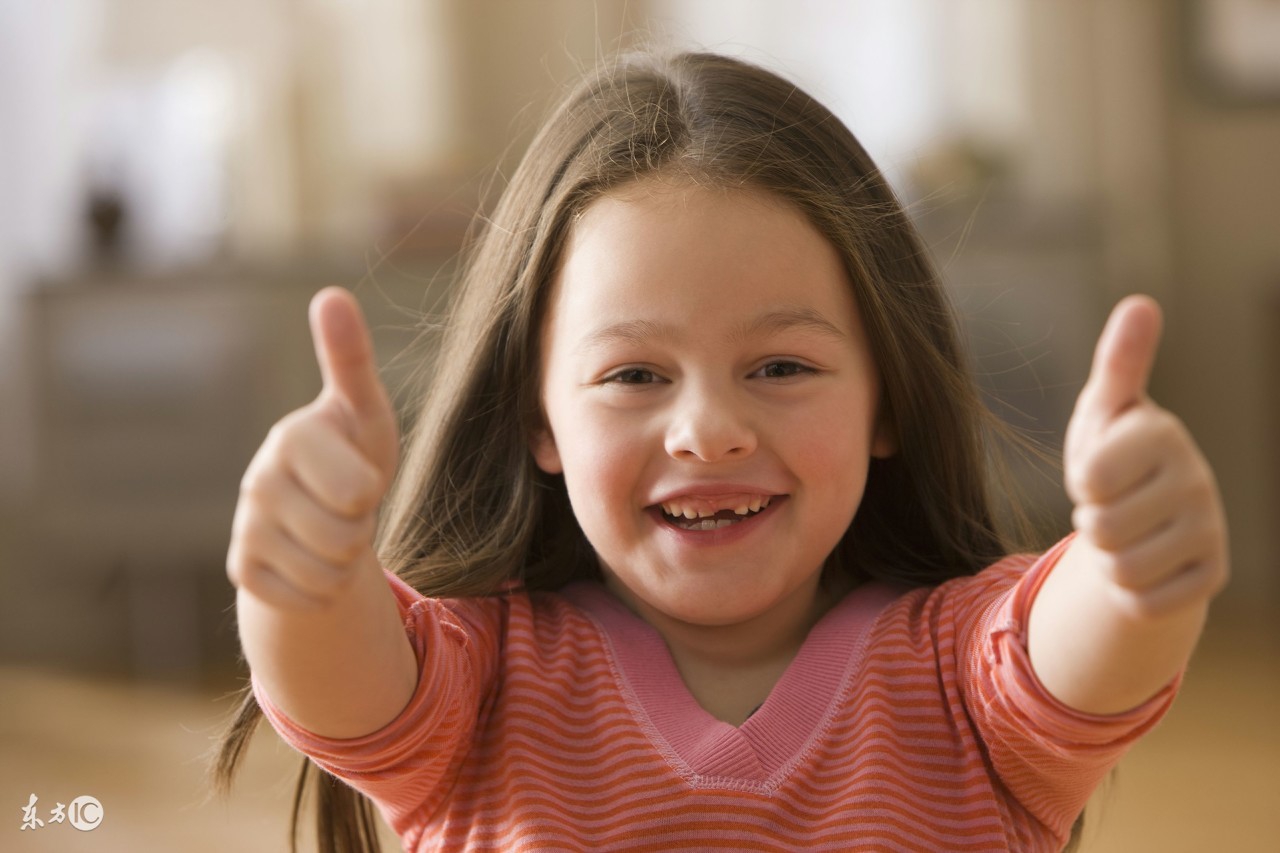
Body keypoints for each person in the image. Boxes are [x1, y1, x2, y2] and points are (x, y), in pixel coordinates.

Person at [214, 51, 1228, 852]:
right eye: (634, 374)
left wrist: (1131, 567)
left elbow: (1083, 650)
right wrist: (306, 580)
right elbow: (340, 682)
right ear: (538, 421)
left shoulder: (963, 677)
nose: (708, 429)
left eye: (781, 366)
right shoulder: (476, 684)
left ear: (886, 401)